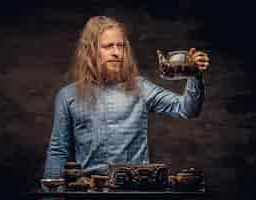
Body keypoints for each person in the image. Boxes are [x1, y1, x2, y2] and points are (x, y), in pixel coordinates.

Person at [43, 16, 209, 182]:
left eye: (120, 46)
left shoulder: (141, 88)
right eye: (108, 46)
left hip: (135, 190)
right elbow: (58, 150)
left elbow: (188, 109)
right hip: (90, 191)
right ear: (90, 50)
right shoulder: (67, 96)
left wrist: (194, 75)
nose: (116, 53)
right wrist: (52, 194)